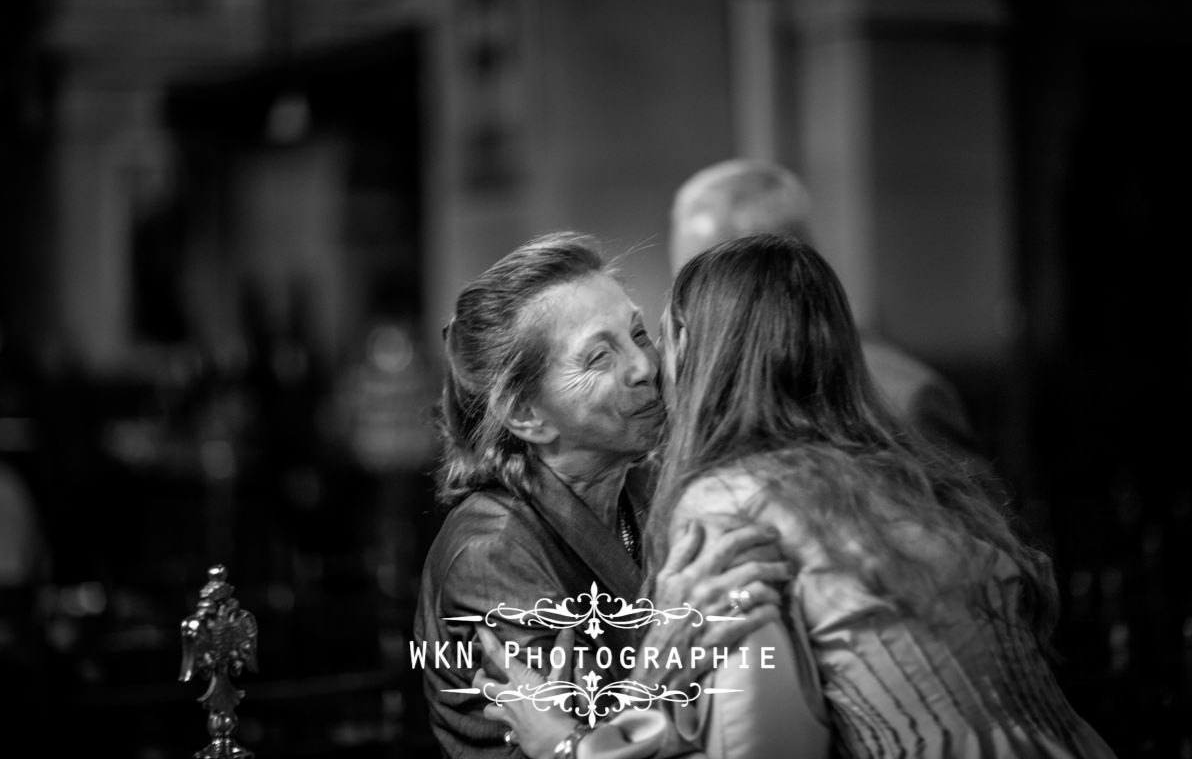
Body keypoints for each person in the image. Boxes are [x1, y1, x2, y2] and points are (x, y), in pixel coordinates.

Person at [482, 234, 1113, 758]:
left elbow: (761, 745)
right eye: (602, 354)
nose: (649, 368)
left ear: (706, 357)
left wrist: (570, 746)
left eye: (654, 336)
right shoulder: (910, 477)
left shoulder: (732, 499)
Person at [414, 233, 790, 759]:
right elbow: (588, 743)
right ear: (526, 415)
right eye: (598, 357)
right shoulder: (494, 551)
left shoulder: (650, 487)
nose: (646, 367)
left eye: (640, 334)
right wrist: (676, 642)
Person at [669, 159, 983, 461]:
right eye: (684, 280)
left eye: (707, 281)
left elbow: (973, 513)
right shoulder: (684, 397)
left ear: (773, 263)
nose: (685, 304)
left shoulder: (904, 399)